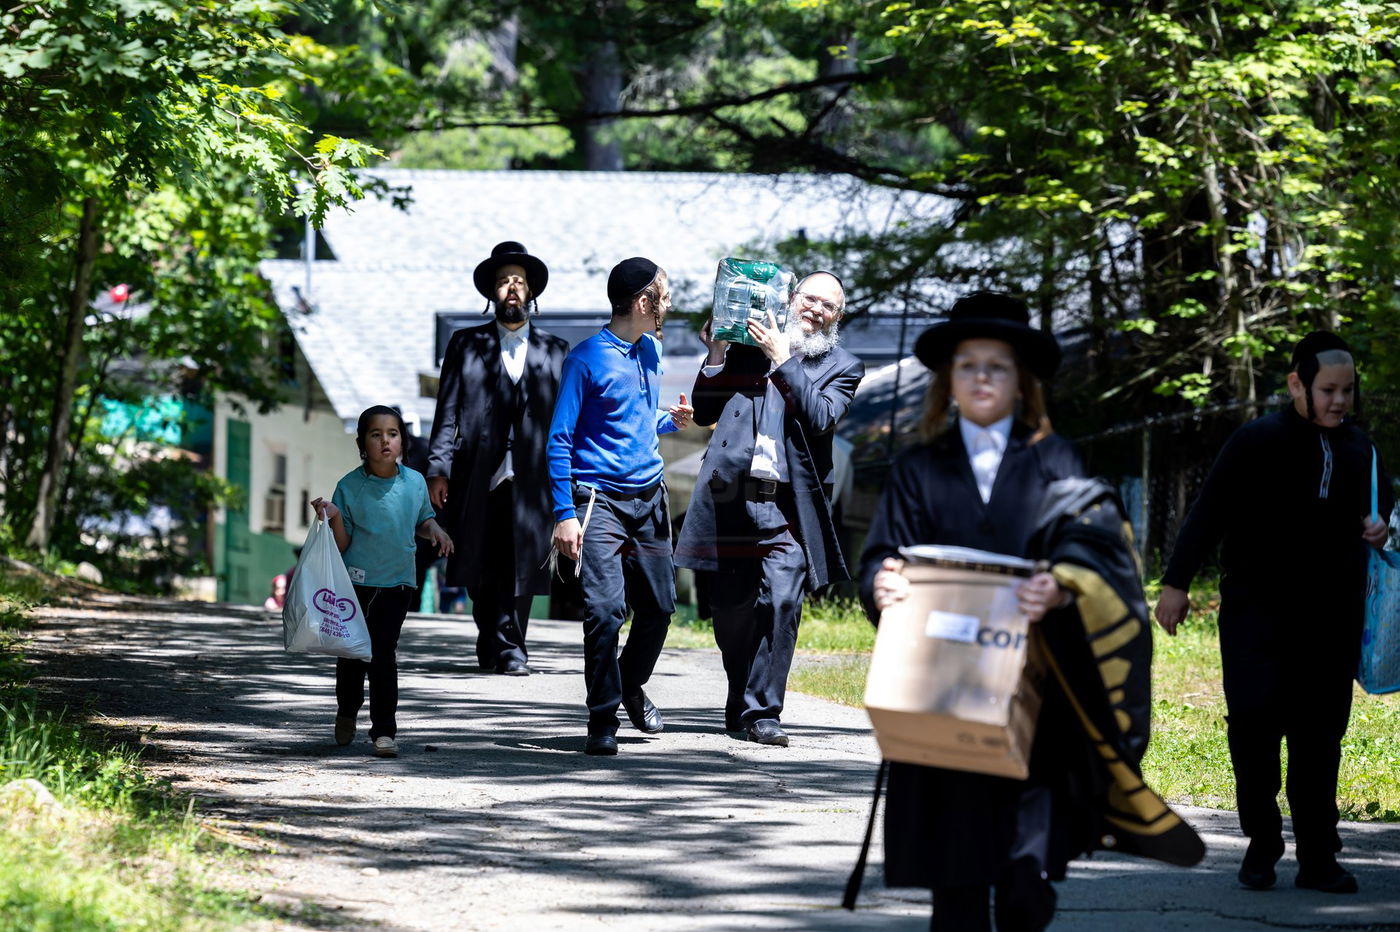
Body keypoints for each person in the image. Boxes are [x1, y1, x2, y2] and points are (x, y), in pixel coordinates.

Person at [858, 292, 1202, 931]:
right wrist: (882, 581)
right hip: (942, 691)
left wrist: (1063, 588)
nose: (982, 378)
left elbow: (1092, 551)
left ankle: (1029, 891)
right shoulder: (918, 467)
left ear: (1022, 381)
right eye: (968, 365)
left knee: (1024, 880)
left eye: (998, 366)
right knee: (956, 885)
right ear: (948, 380)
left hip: (1036, 690)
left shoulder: (1054, 459)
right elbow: (883, 551)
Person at [1155, 331, 1391, 895]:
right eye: (1328, 390)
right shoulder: (1257, 440)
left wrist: (1380, 528)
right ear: (1296, 384)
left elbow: (1379, 511)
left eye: (1348, 390)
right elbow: (1208, 511)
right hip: (1255, 616)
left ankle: (1318, 858)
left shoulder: (1361, 448)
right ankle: (1262, 843)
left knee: (1319, 739)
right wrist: (1176, 583)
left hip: (1331, 620)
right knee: (1253, 730)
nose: (1340, 400)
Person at [674, 271, 864, 746]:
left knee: (781, 600)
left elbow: (820, 417)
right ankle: (740, 689)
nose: (816, 310)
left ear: (837, 317)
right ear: (791, 298)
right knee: (729, 608)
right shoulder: (746, 348)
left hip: (789, 505)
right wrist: (716, 352)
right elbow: (705, 409)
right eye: (810, 299)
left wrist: (782, 359)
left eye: (828, 306)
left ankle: (764, 711)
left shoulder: (844, 366)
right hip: (731, 497)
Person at [546, 257, 693, 756]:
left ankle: (630, 683)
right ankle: (602, 717)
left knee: (660, 607)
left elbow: (636, 419)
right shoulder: (585, 359)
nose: (668, 304)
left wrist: (669, 421)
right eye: (664, 296)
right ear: (644, 302)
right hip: (598, 501)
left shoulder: (651, 349)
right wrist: (564, 514)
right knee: (606, 611)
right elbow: (560, 439)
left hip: (649, 497)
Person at [427, 241, 569, 674]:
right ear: (492, 291)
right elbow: (447, 410)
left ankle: (511, 649)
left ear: (531, 292)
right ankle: (491, 636)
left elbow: (567, 418)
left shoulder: (556, 350)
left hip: (533, 476)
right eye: (504, 281)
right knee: (479, 562)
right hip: (476, 472)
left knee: (523, 560)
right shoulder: (465, 344)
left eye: (519, 281)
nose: (512, 288)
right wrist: (437, 469)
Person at [312, 405, 454, 758]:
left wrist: (435, 530)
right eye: (376, 435)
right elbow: (342, 543)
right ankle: (347, 711)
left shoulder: (415, 482)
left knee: (383, 655)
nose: (385, 441)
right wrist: (333, 517)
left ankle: (384, 732)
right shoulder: (349, 486)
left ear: (402, 441)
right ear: (362, 444)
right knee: (352, 656)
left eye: (392, 434)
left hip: (398, 584)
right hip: (355, 586)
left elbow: (422, 521)